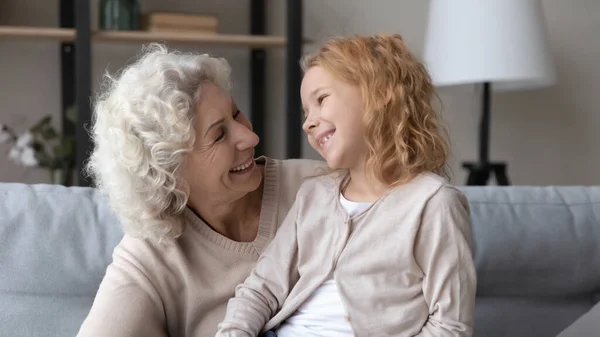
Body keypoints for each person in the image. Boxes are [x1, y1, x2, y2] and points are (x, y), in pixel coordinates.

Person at [215, 34, 477, 337]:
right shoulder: (313, 196)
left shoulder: (432, 203)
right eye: (305, 112)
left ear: (381, 93)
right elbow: (261, 288)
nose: (308, 123)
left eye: (321, 99)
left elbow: (451, 326)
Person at [76, 44, 325, 337]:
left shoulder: (319, 188)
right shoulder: (153, 258)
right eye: (219, 135)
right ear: (170, 175)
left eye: (237, 114)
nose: (251, 136)